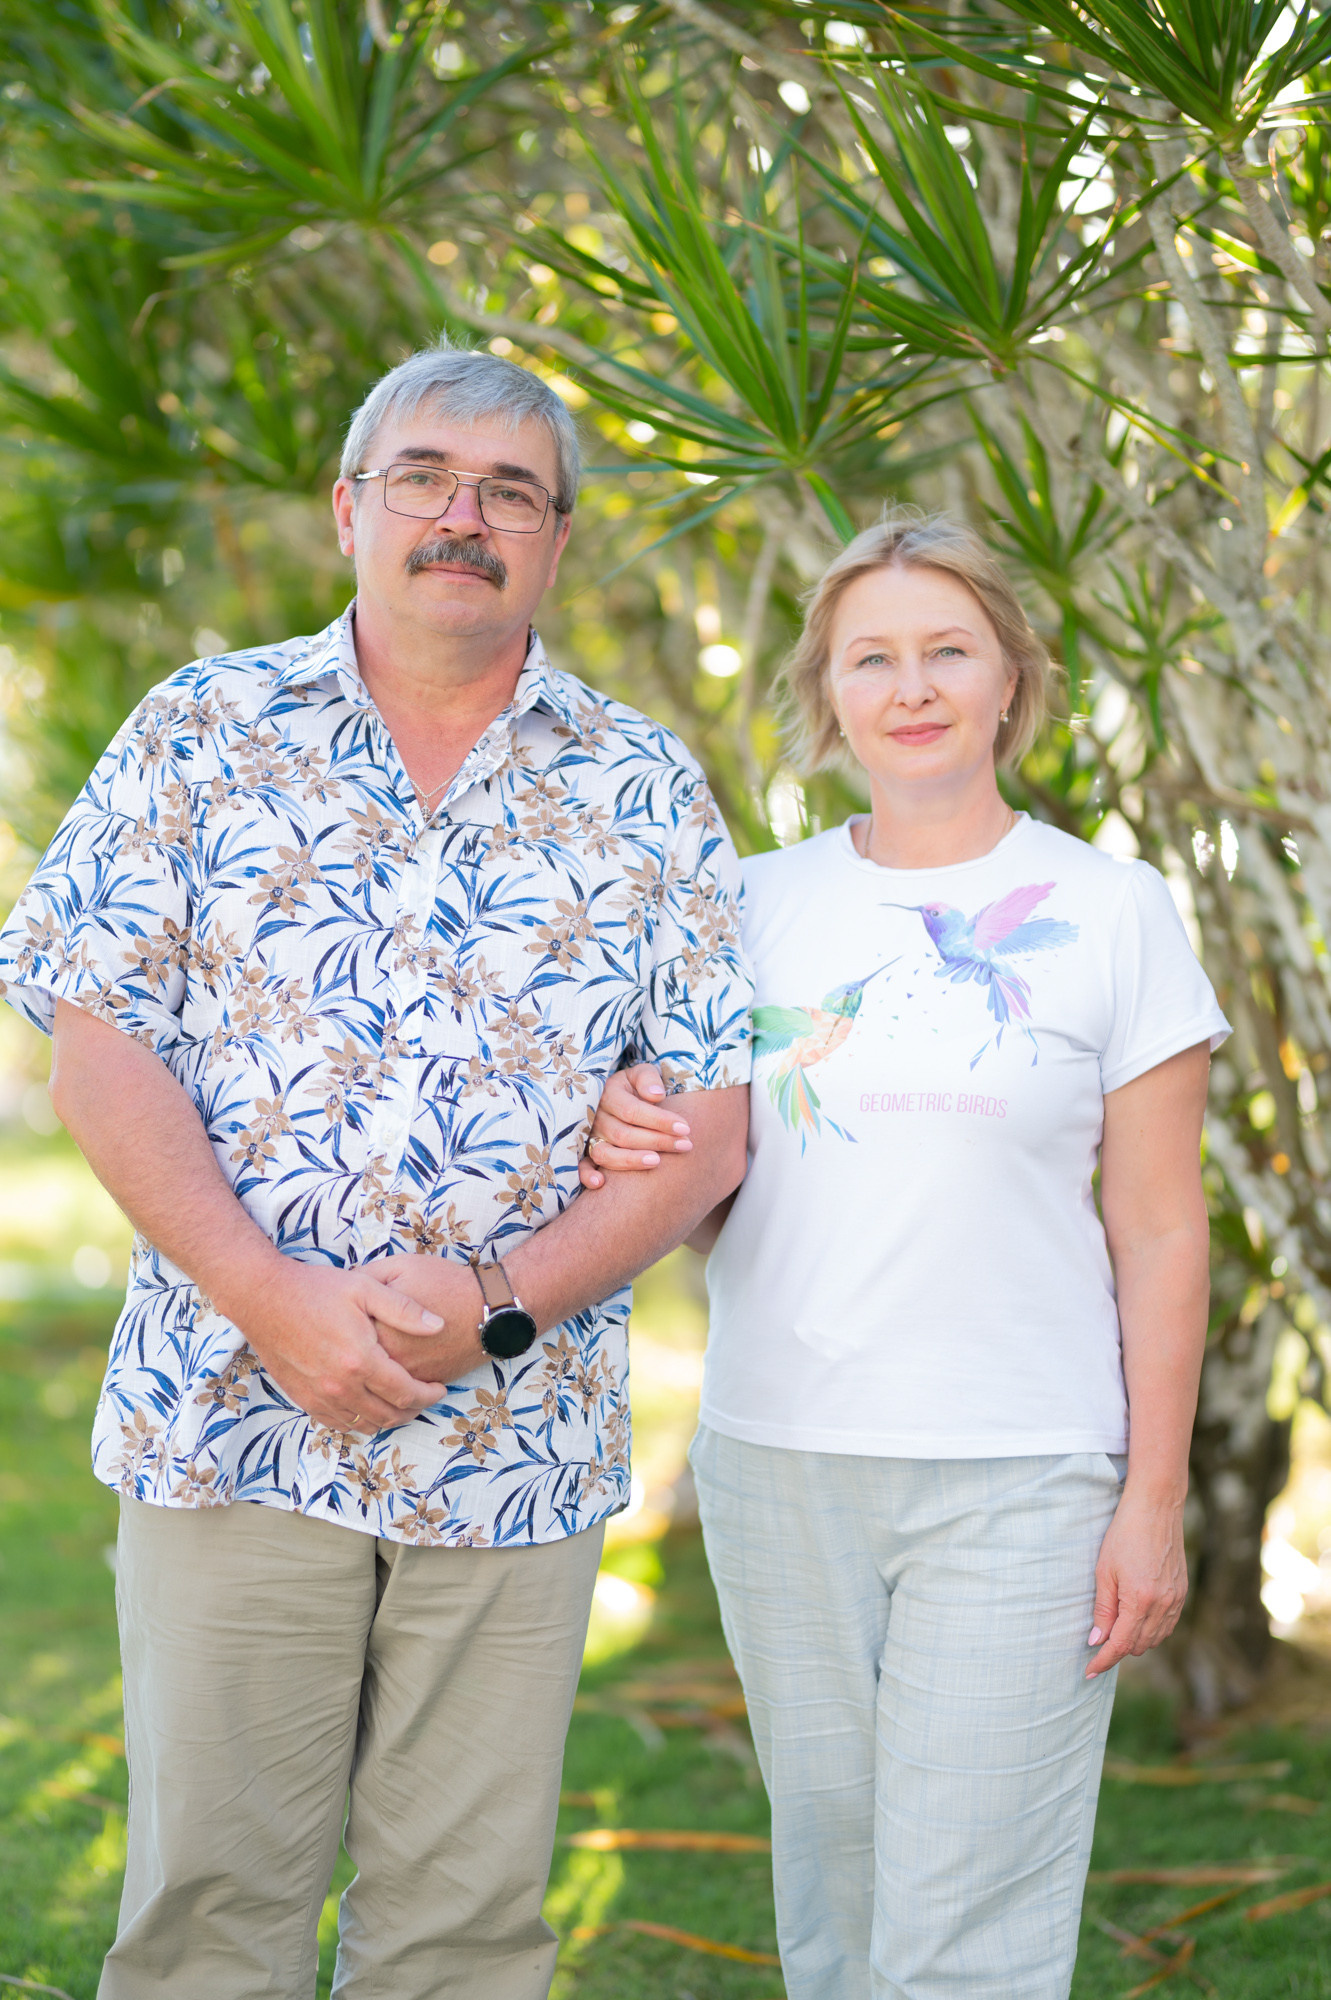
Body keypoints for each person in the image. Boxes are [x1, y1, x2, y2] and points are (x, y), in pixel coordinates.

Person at [0, 340, 753, 2000]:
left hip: (516, 1428)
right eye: (424, 477)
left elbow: (706, 1126)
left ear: (556, 540)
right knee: (212, 1915)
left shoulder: (643, 788)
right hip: (228, 1414)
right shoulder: (200, 730)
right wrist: (275, 1302)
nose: (461, 517)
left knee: (464, 1933)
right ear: (350, 508)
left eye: (509, 492)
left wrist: (495, 1310)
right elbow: (97, 1042)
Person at [580, 508, 1228, 2000]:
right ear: (827, 694)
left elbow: (1159, 1224)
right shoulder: (748, 906)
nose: (913, 683)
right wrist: (634, 1124)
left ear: (1012, 676)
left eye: (949, 648)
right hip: (778, 1464)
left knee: (970, 1916)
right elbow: (706, 1174)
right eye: (872, 657)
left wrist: (1153, 1500)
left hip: (1026, 1473)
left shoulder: (1114, 910)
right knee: (836, 1890)